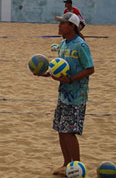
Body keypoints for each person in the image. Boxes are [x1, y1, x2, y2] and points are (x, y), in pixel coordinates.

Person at [36, 12, 94, 176]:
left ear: (72, 26)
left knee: (69, 132)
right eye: (60, 23)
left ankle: (76, 167)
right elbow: (58, 68)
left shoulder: (80, 45)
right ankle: (66, 164)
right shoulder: (63, 44)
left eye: (62, 23)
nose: (59, 25)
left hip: (76, 96)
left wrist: (71, 80)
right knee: (61, 130)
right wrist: (44, 73)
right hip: (63, 94)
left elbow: (90, 69)